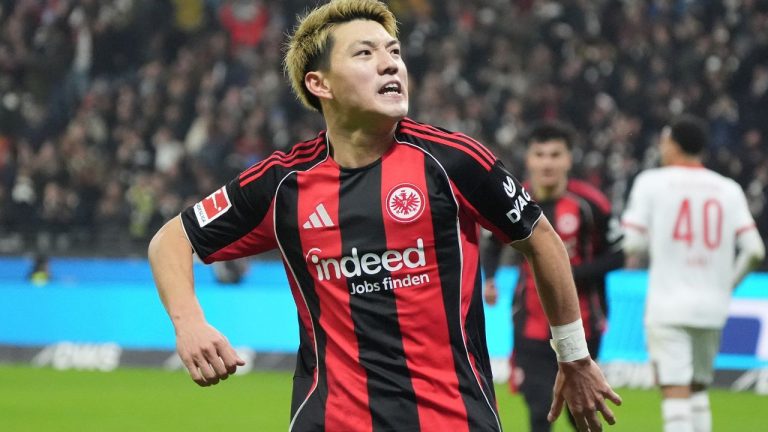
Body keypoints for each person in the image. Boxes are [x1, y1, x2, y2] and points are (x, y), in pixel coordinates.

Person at [148, 1, 621, 430]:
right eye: (365, 53)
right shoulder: (283, 184)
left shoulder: (452, 160)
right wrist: (188, 322)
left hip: (454, 419)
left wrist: (574, 357)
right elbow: (172, 239)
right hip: (329, 420)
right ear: (320, 83)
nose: (390, 62)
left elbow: (539, 237)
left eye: (394, 51)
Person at [621, 114, 765, 432]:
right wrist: (727, 285)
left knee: (674, 395)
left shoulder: (652, 182)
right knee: (698, 390)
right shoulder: (727, 189)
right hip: (713, 307)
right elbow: (755, 249)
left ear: (672, 144)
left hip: (668, 305)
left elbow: (633, 242)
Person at [482, 121, 623, 432]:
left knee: (581, 409)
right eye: (540, 154)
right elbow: (491, 244)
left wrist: (567, 274)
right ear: (529, 159)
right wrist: (489, 279)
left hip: (584, 321)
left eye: (555, 154)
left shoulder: (591, 204)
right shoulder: (513, 199)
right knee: (540, 410)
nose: (547, 162)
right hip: (529, 322)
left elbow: (617, 255)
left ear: (568, 159)